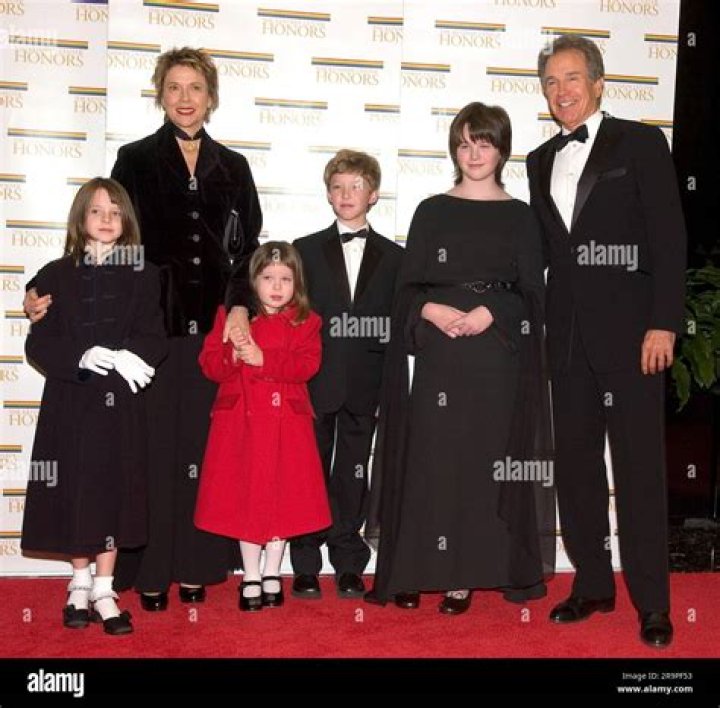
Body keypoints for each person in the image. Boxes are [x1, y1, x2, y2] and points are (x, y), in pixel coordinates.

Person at [23, 47, 262, 610]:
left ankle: (197, 565)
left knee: (200, 452)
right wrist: (35, 291)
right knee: (149, 454)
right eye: (174, 87)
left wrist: (239, 307)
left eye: (195, 87)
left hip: (209, 334)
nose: (185, 98)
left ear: (211, 96)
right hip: (146, 333)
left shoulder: (235, 167)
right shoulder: (134, 159)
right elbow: (99, 244)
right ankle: (151, 569)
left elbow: (247, 249)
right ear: (160, 94)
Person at [527, 34, 686, 648]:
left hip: (633, 338)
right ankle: (592, 583)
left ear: (598, 83)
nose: (561, 91)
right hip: (566, 340)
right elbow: (544, 253)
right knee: (577, 470)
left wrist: (664, 322)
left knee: (639, 471)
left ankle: (654, 603)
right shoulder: (539, 160)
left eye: (572, 78)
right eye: (551, 82)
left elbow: (668, 237)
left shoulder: (641, 143)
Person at [365, 103, 555, 613]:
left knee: (482, 464)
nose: (473, 154)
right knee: (431, 460)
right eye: (465, 144)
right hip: (441, 351)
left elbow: (534, 295)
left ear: (502, 150)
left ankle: (463, 576)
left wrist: (492, 311)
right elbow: (406, 290)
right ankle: (415, 568)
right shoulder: (431, 210)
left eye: (484, 143)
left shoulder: (521, 216)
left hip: (495, 357)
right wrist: (430, 309)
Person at [21, 178, 167, 635]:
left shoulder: (146, 274)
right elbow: (39, 342)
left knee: (113, 492)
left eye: (115, 212)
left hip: (120, 405)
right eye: (97, 211)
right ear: (80, 217)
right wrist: (79, 358)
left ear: (127, 220)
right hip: (70, 401)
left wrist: (130, 357)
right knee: (75, 489)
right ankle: (78, 584)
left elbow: (154, 336)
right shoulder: (53, 275)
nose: (106, 219)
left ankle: (105, 589)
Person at [290, 150, 403, 599]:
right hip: (314, 378)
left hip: (366, 381)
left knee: (354, 472)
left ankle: (349, 560)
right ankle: (304, 561)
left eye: (356, 186)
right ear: (327, 195)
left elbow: (401, 320)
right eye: (337, 187)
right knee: (308, 470)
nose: (346, 194)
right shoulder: (304, 249)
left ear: (373, 195)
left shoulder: (396, 257)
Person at [194, 242, 331, 611]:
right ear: (252, 281)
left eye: (285, 279)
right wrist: (234, 354)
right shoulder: (230, 316)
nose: (277, 286)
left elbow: (308, 365)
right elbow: (209, 364)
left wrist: (263, 358)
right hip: (240, 424)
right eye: (268, 277)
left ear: (297, 284)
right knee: (246, 496)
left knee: (282, 498)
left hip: (287, 425)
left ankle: (273, 571)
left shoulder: (307, 321)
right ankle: (251, 574)